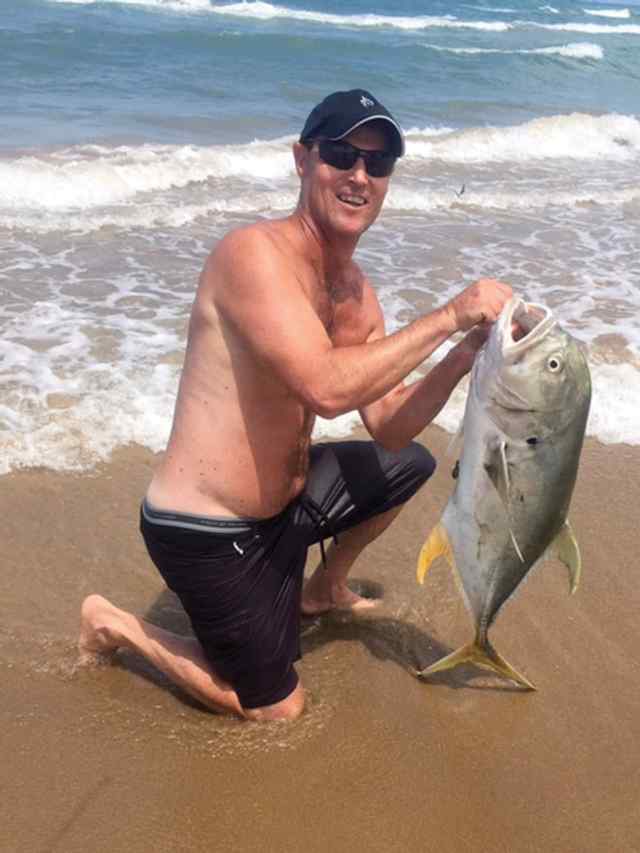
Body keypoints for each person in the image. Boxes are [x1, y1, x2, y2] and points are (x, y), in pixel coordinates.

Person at [79, 89, 512, 722]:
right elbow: (326, 388)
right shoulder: (252, 256)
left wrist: (466, 350)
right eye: (341, 153)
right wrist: (448, 314)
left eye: (378, 163)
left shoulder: (356, 293)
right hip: (204, 530)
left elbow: (390, 427)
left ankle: (324, 587)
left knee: (409, 464)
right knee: (275, 710)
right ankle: (114, 623)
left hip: (285, 510)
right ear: (302, 160)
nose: (360, 176)